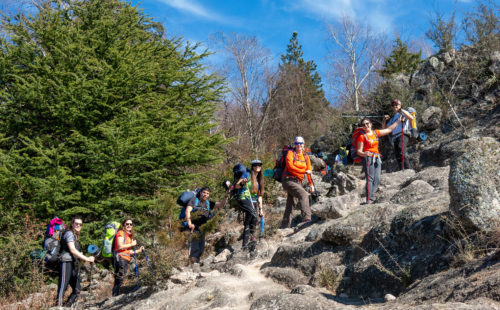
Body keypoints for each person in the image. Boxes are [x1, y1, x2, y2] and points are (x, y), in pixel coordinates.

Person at [356, 117, 402, 204]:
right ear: (362, 127)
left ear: (371, 124)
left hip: (377, 157)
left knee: (377, 178)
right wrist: (364, 154)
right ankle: (369, 199)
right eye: (364, 125)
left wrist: (398, 121)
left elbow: (389, 129)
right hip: (368, 158)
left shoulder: (375, 133)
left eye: (367, 124)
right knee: (370, 178)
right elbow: (359, 151)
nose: (366, 126)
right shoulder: (361, 137)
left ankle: (371, 196)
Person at [185, 187, 229, 264]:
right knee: (194, 247)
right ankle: (193, 264)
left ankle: (196, 263)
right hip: (194, 228)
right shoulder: (194, 201)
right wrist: (189, 223)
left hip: (203, 229)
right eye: (204, 192)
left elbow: (221, 204)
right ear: (200, 193)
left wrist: (226, 196)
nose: (205, 195)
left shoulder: (208, 203)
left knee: (201, 248)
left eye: (207, 193)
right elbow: (188, 210)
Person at [57, 216, 95, 307]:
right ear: (72, 224)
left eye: (80, 224)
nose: (78, 225)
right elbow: (72, 250)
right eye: (76, 223)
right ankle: (58, 307)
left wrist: (80, 254)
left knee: (77, 288)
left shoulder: (75, 235)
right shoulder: (69, 233)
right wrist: (86, 258)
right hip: (66, 262)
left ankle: (67, 306)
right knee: (63, 286)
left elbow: (74, 251)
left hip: (71, 263)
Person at [280, 136, 315, 228]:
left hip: (298, 181)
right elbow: (290, 167)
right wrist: (303, 171)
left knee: (291, 204)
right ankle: (306, 219)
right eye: (296, 143)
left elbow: (309, 171)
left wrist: (311, 185)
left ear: (304, 144)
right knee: (303, 194)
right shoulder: (290, 153)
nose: (298, 145)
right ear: (294, 144)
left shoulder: (306, 157)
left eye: (300, 143)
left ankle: (284, 226)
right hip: (288, 180)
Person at [233, 160, 265, 249]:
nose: (257, 166)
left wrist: (261, 209)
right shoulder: (247, 174)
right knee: (252, 213)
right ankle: (248, 240)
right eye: (255, 165)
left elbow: (260, 196)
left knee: (253, 219)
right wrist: (243, 183)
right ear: (252, 166)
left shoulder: (260, 179)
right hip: (244, 198)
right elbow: (237, 186)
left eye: (259, 165)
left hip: (254, 200)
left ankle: (247, 241)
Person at [112, 218, 144, 296]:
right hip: (120, 258)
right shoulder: (121, 233)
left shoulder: (129, 236)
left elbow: (127, 251)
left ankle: (116, 295)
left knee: (120, 278)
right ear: (123, 225)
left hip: (125, 258)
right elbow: (120, 247)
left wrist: (138, 251)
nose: (129, 225)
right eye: (127, 224)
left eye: (130, 224)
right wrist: (132, 244)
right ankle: (116, 296)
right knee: (120, 278)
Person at [382, 99, 415, 170]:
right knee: (397, 154)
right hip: (395, 137)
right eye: (393, 105)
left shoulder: (403, 113)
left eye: (396, 104)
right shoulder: (393, 118)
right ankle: (402, 170)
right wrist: (384, 120)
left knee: (401, 151)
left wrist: (401, 110)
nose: (394, 106)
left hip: (403, 134)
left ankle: (408, 170)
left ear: (400, 105)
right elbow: (385, 128)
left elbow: (411, 118)